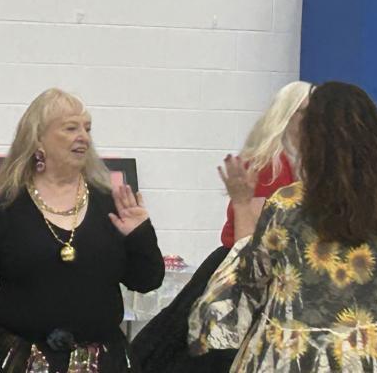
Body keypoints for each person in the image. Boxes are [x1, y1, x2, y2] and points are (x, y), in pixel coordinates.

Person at [189, 81, 377, 371]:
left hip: (294, 354)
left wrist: (242, 204)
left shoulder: (286, 206)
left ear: (312, 140)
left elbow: (250, 278)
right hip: (376, 354)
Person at [0, 88, 165, 373]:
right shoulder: (6, 204)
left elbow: (147, 280)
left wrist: (140, 235)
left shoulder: (109, 202)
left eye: (87, 128)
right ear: (38, 140)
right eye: (71, 128)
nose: (83, 136)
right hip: (17, 360)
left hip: (102, 361)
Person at [131, 80, 311, 373]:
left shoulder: (294, 164)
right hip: (247, 268)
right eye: (306, 113)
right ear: (289, 116)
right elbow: (249, 241)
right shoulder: (270, 165)